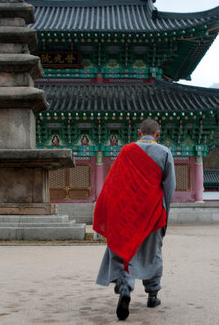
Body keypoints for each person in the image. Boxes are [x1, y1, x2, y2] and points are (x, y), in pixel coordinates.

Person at [94, 118, 176, 320]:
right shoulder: (164, 152)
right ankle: (152, 294)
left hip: (125, 212)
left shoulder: (125, 151)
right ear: (157, 134)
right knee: (152, 252)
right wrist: (163, 210)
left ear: (139, 133)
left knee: (123, 248)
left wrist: (109, 210)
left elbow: (113, 183)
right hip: (151, 212)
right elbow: (169, 186)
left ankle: (124, 288)